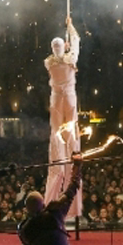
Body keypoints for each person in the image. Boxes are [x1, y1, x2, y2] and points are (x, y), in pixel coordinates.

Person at [17, 152, 84, 245]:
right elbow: (73, 187)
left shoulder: (26, 228)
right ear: (43, 204)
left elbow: (25, 241)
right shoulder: (57, 211)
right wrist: (78, 165)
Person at [44, 16, 81, 217]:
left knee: (57, 131)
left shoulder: (49, 62)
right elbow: (76, 40)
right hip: (69, 97)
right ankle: (72, 153)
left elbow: (59, 56)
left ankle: (61, 158)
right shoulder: (70, 58)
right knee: (71, 132)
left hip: (56, 99)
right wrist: (70, 26)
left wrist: (64, 49)